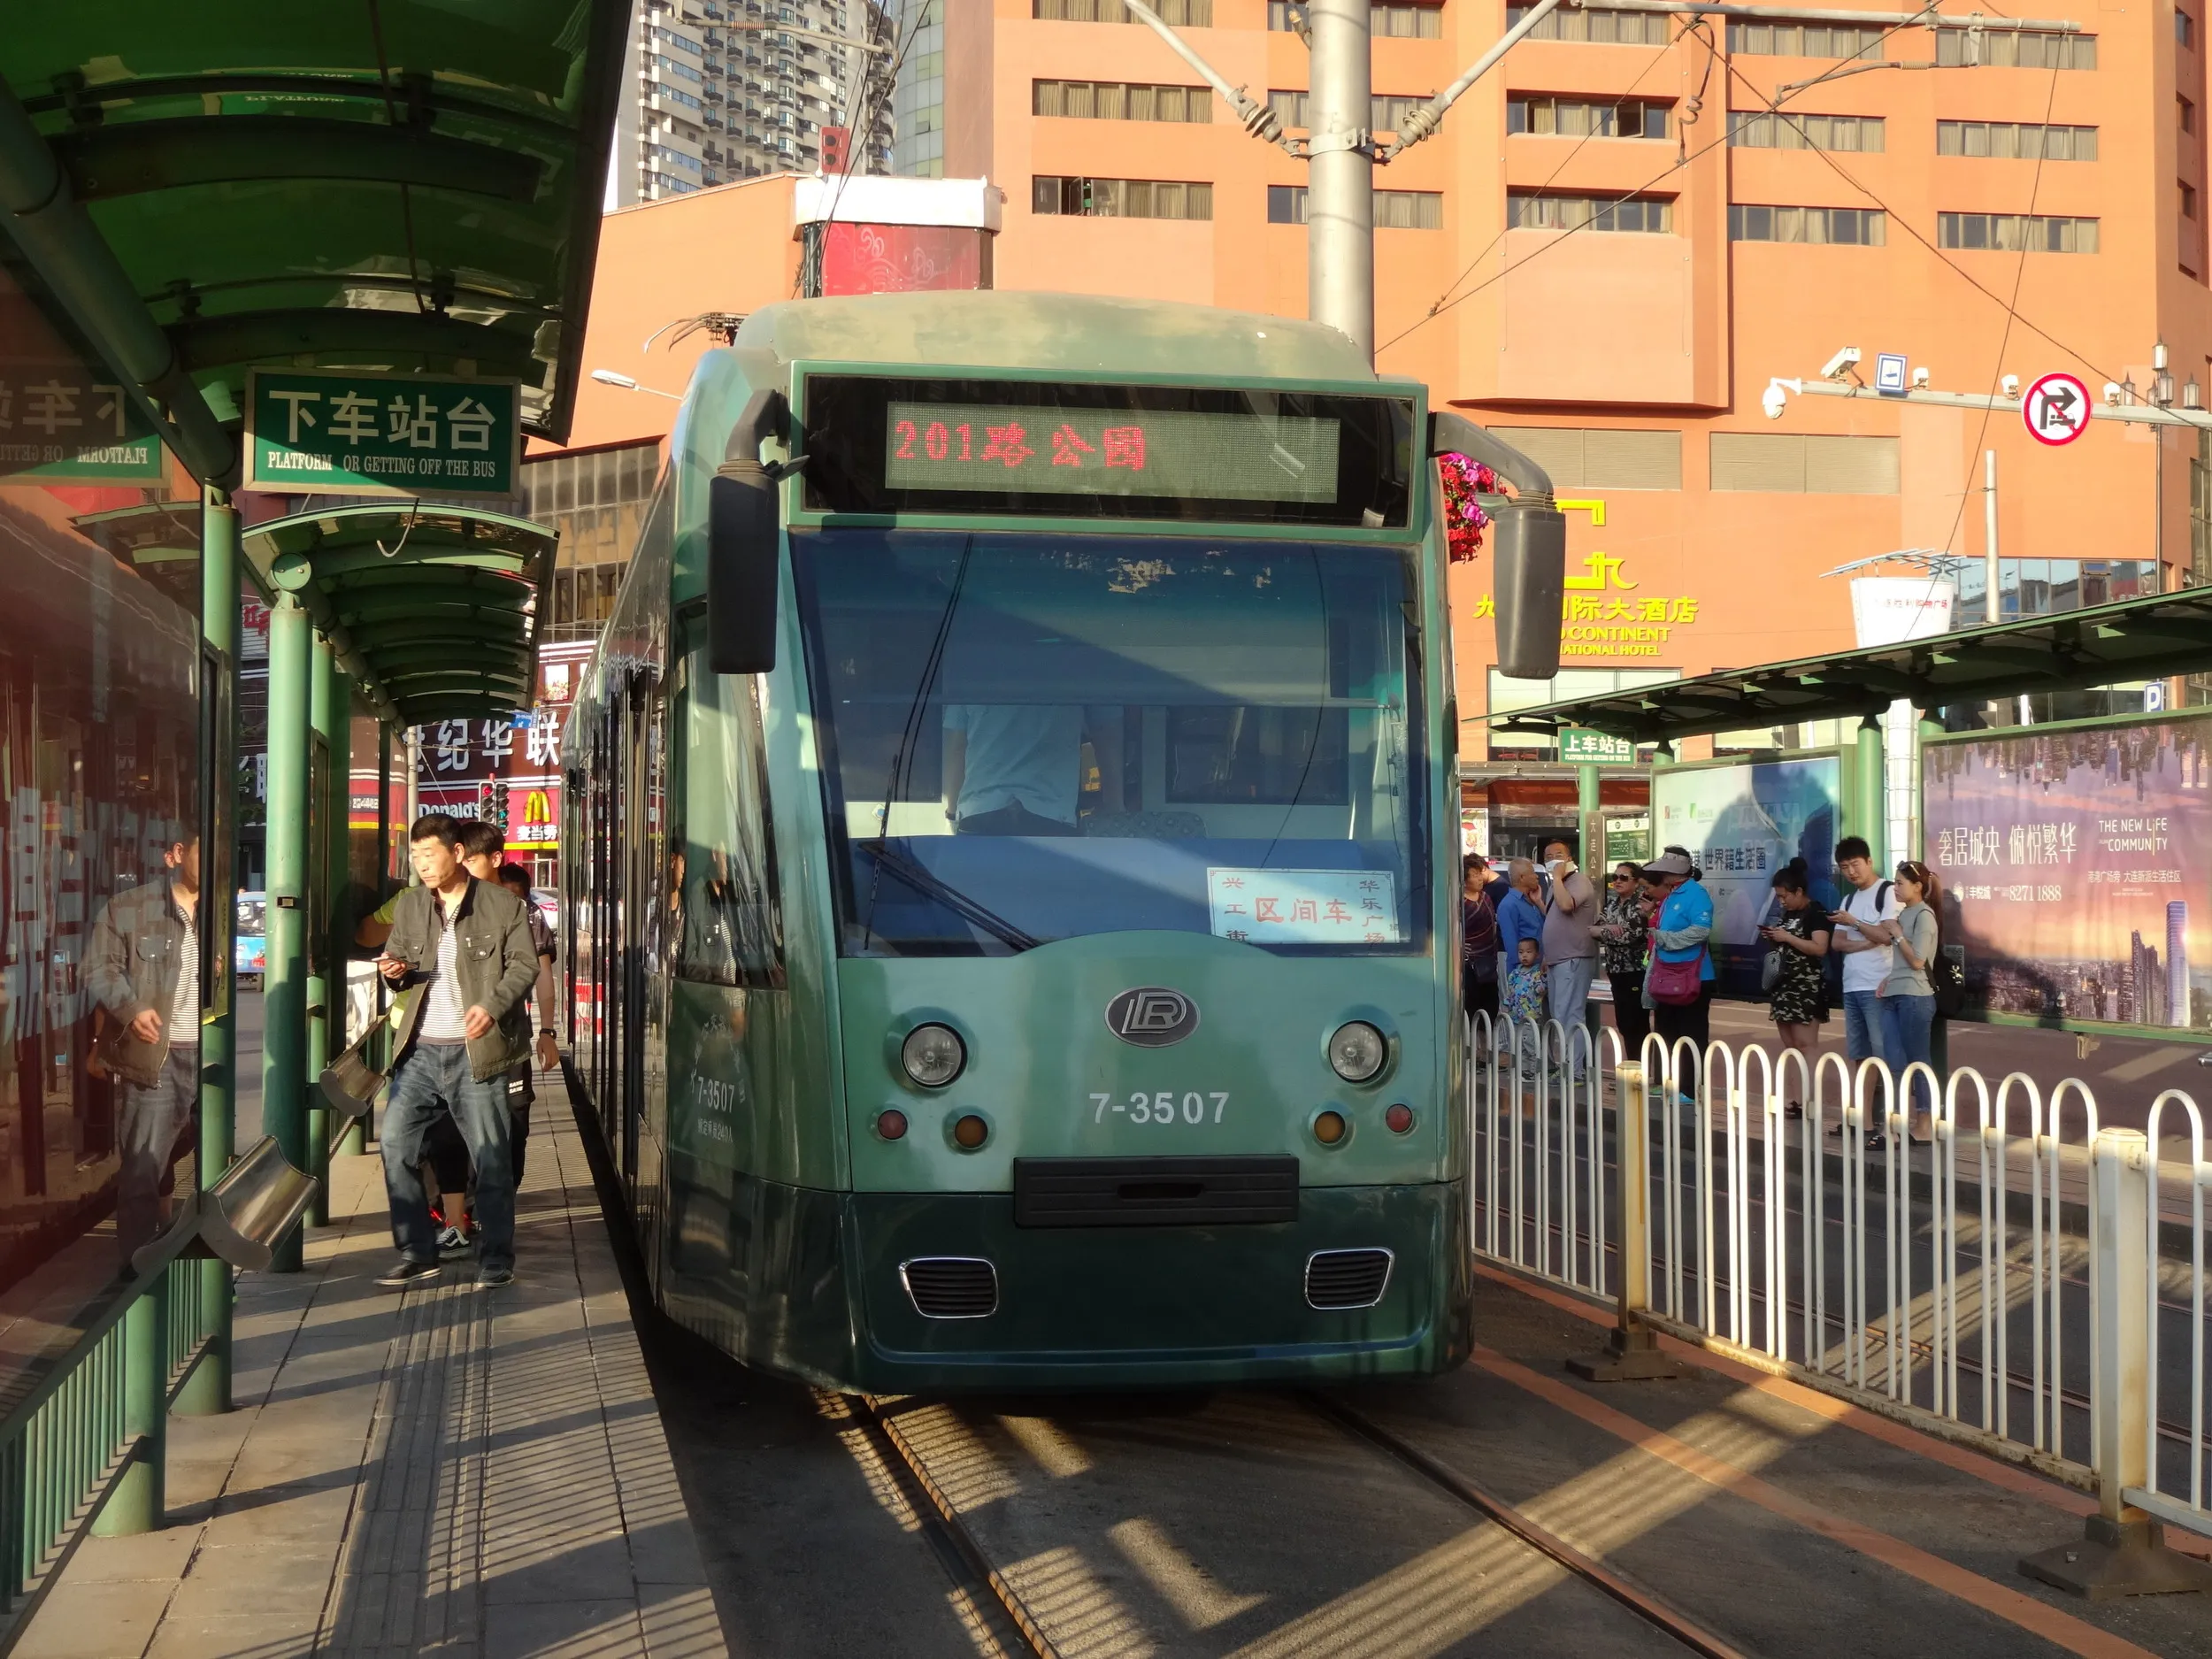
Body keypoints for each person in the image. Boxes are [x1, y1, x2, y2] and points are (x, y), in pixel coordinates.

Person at [373, 814, 539, 1290]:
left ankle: (496, 1257)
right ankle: (416, 1251)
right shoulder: (409, 907)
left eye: (431, 855)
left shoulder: (502, 906)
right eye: (416, 856)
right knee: (396, 1145)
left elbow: (525, 965)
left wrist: (491, 1005)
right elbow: (399, 961)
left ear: (458, 854)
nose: (422, 865)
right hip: (421, 1051)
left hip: (477, 1053)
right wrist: (394, 970)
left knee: (490, 1156)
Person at [86, 836, 202, 1271]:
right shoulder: (131, 907)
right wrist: (132, 1009)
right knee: (142, 1167)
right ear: (177, 853)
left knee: (208, 1158)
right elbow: (99, 967)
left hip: (211, 1053)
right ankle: (138, 1270)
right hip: (158, 1055)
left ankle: (202, 1259)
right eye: (203, 849)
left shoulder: (224, 909)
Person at [942, 703, 1122, 834]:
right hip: (1051, 814)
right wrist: (1113, 804)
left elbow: (957, 747)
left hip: (980, 812)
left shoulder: (973, 664)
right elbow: (1107, 736)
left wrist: (952, 813)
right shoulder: (1083, 664)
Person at [1827, 834, 1898, 1140]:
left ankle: (1892, 1126)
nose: (1851, 872)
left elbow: (1887, 936)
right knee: (1859, 1056)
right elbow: (1837, 943)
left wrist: (1856, 925)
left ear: (1869, 861)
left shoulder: (1889, 892)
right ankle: (1865, 1122)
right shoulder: (1848, 900)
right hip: (1852, 985)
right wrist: (1867, 938)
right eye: (1844, 867)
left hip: (1878, 986)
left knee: (1885, 1055)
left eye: (1855, 864)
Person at [496, 861, 562, 1187]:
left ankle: (505, 1190)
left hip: (513, 1036)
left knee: (516, 1113)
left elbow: (544, 975)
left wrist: (547, 1032)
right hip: (462, 1037)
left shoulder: (532, 917)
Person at [1872, 861, 1942, 1144]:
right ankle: (1898, 1121)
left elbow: (1917, 960)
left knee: (1918, 1062)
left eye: (1900, 883)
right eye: (1896, 883)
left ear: (1918, 887)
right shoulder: (1906, 913)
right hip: (1895, 994)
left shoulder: (1924, 915)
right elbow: (1903, 961)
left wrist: (1897, 933)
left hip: (1916, 996)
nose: (1896, 888)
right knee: (1895, 1062)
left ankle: (1925, 1124)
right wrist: (1890, 978)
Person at [1757, 857, 1831, 1118]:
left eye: (1785, 896)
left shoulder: (1816, 913)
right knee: (1789, 1044)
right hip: (1784, 986)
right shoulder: (1788, 914)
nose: (1781, 901)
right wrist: (1775, 936)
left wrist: (1787, 937)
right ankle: (1796, 1100)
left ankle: (1812, 1100)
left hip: (1806, 988)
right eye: (1778, 897)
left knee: (1805, 1044)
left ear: (1799, 892)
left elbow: (1820, 948)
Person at [1642, 849, 1714, 1102]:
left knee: (1691, 1033)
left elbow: (1701, 931)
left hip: (1693, 976)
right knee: (1668, 1030)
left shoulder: (1697, 894)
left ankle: (1690, 1089)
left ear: (1676, 873)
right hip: (1667, 975)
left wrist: (1664, 939)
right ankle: (1672, 1084)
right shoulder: (1671, 896)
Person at [1540, 839, 1600, 1071]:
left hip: (1573, 958)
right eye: (1547, 856)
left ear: (1569, 858)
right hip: (1557, 959)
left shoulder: (1579, 881)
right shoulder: (1558, 885)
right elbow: (1555, 918)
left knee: (1570, 1014)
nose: (1551, 859)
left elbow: (1566, 906)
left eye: (1557, 854)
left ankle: (1574, 1070)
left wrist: (1556, 878)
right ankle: (1568, 1066)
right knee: (1559, 1014)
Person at [1594, 862, 1651, 1056]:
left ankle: (1641, 1073)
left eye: (1624, 878)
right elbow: (1593, 930)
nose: (1617, 881)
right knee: (1624, 1023)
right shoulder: (1611, 903)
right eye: (1615, 877)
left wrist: (1607, 930)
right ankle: (1632, 1070)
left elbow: (1630, 936)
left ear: (1636, 882)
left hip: (1635, 971)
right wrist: (1609, 929)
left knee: (1637, 1024)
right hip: (1615, 971)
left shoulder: (1639, 905)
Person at [1495, 858, 1547, 999]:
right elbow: (1511, 944)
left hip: (1540, 967)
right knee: (1524, 1016)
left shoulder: (1531, 900)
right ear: (1522, 877)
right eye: (1533, 873)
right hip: (1525, 973)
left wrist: (1539, 903)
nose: (1536, 876)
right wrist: (1521, 976)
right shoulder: (1508, 904)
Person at [1461, 856, 1501, 1024]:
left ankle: (1487, 1046)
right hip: (1469, 963)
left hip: (1489, 961)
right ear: (1464, 879)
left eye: (1480, 874)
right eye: (1474, 875)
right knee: (1471, 1008)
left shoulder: (1486, 898)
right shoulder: (1458, 903)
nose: (1479, 878)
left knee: (1491, 1007)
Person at [1502, 936, 1548, 1027]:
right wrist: (1506, 1007)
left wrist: (1545, 978)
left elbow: (1541, 990)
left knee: (1530, 1040)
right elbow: (1510, 992)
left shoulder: (1538, 973)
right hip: (1514, 1016)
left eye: (1529, 952)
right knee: (1515, 1039)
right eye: (1521, 952)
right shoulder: (1515, 973)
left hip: (1532, 1017)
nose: (1524, 955)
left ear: (1537, 955)